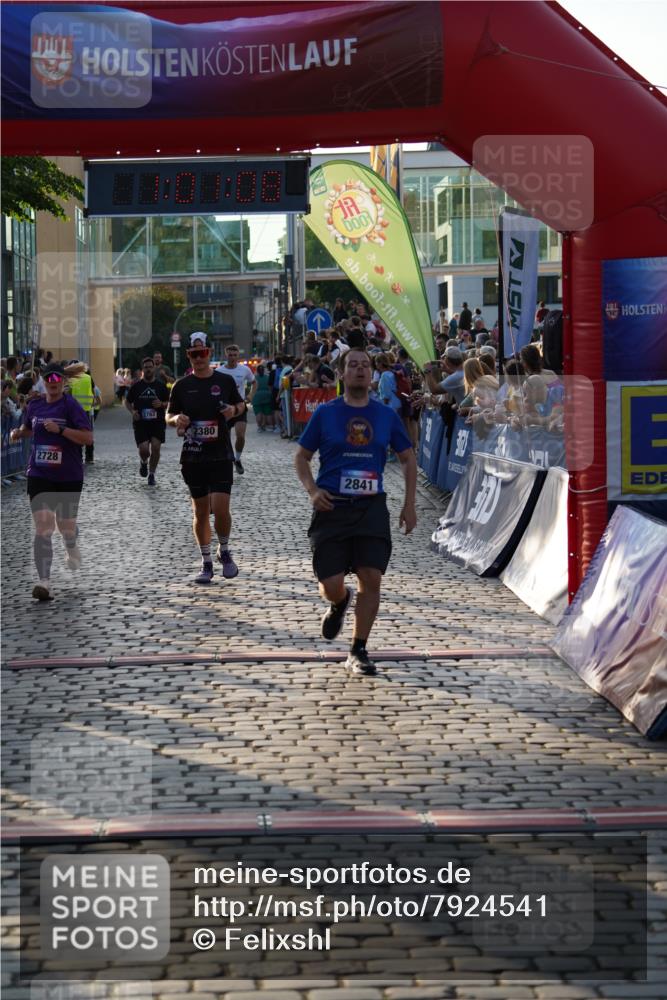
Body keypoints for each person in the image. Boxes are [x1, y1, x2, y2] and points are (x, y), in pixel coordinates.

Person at [294, 349, 417, 676]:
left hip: (370, 507)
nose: (360, 370)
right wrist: (313, 491)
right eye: (353, 365)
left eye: (365, 365)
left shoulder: (386, 416)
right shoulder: (325, 414)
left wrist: (409, 503)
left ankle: (358, 649)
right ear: (342, 374)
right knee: (331, 583)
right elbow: (301, 458)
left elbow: (407, 458)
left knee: (371, 577)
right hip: (331, 506)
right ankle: (338, 601)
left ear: (372, 375)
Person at [9, 362, 93, 601]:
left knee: (65, 527)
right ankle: (43, 582)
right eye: (49, 379)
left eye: (57, 380)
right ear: (43, 381)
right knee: (44, 527)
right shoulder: (35, 404)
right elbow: (28, 428)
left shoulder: (71, 405)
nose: (53, 383)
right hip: (39, 474)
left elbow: (87, 438)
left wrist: (61, 431)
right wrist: (18, 433)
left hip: (68, 475)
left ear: (63, 382)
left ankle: (71, 545)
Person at [167, 333, 245, 584]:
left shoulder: (224, 381)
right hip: (193, 457)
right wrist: (176, 420)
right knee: (200, 511)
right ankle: (206, 562)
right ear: (188, 356)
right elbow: (169, 416)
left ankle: (224, 550)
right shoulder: (181, 385)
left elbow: (241, 405)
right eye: (193, 354)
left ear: (209, 354)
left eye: (202, 353)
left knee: (221, 508)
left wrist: (233, 410)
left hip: (220, 454)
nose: (198, 358)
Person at [125, 356, 170, 485]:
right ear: (142, 369)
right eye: (146, 367)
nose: (148, 369)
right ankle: (144, 462)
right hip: (141, 422)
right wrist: (132, 411)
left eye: (150, 367)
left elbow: (169, 403)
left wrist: (161, 404)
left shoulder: (161, 386)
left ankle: (151, 474)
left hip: (157, 422)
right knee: (144, 450)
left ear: (154, 368)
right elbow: (127, 402)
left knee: (156, 448)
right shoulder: (136, 386)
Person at [215, 343, 255, 474]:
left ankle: (237, 459)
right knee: (224, 437)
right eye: (230, 355)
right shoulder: (219, 371)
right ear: (226, 355)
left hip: (240, 406)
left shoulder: (244, 370)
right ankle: (228, 457)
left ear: (238, 355)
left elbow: (254, 383)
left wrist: (250, 395)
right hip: (225, 408)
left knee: (240, 435)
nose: (232, 357)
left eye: (234, 355)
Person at [64, 361, 95, 464]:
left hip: (74, 410)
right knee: (88, 433)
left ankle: (78, 456)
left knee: (76, 435)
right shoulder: (88, 377)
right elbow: (92, 392)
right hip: (86, 409)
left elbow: (68, 393)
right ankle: (89, 457)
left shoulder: (70, 378)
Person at [251, 364, 274, 431]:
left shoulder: (254, 378)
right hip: (267, 395)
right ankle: (270, 426)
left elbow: (250, 387)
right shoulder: (267, 377)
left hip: (257, 397)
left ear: (257, 371)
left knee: (258, 413)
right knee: (267, 413)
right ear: (264, 370)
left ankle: (260, 427)